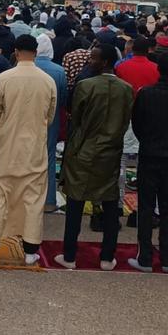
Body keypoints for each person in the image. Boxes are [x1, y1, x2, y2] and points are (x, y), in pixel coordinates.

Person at [0, 34, 57, 265]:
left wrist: (5, 125)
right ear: (36, 53)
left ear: (16, 51)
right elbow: (49, 117)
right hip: (34, 148)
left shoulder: (4, 78)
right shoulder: (47, 80)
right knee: (33, 198)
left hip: (5, 145)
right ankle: (31, 250)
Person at [56, 44, 133, 270]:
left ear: (106, 62)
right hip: (110, 151)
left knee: (75, 203)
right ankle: (107, 257)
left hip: (84, 149)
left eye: (94, 59)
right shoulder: (126, 89)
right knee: (109, 204)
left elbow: (76, 119)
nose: (90, 62)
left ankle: (69, 255)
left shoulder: (85, 86)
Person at [127, 52, 168, 272]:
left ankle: (145, 257)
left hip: (149, 155)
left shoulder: (147, 93)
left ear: (158, 69)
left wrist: (149, 141)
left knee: (146, 207)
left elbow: (137, 122)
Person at [34, 33, 68, 213]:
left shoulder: (24, 67)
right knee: (48, 156)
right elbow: (62, 100)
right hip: (50, 119)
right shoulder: (59, 71)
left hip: (27, 118)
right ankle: (48, 200)